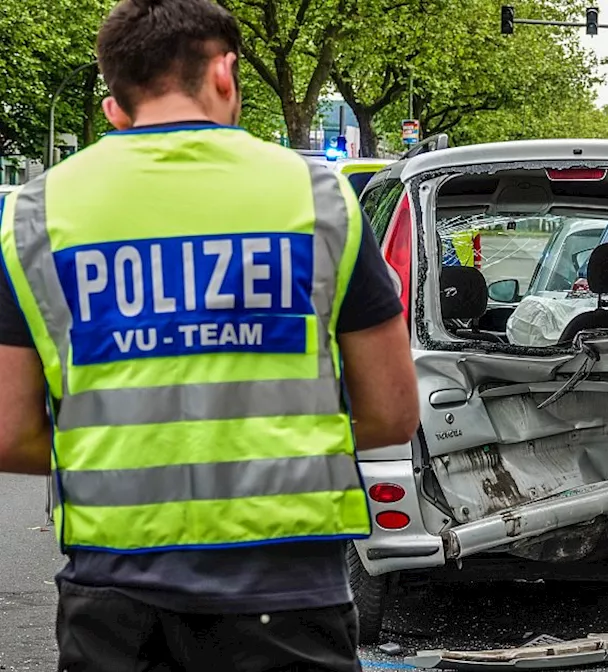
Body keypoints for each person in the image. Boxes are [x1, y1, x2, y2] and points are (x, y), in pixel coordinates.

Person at [0, 0, 420, 669]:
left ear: (116, 104)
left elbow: (9, 432)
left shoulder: (35, 213)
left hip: (115, 595)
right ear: (224, 72)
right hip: (287, 592)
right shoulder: (318, 198)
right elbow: (393, 411)